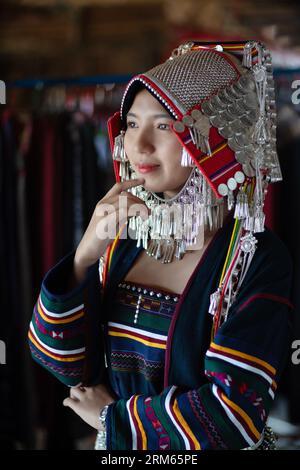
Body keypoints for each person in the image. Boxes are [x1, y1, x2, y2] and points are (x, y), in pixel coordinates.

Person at [28, 40, 293, 450]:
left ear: (215, 137)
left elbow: (233, 413)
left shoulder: (254, 258)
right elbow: (62, 364)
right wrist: (83, 258)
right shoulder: (123, 240)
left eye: (164, 125)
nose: (139, 145)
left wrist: (110, 419)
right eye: (132, 124)